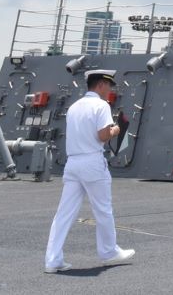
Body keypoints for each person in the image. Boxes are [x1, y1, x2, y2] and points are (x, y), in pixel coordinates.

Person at [44, 70, 136, 273]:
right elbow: (103, 136)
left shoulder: (74, 107)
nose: (110, 90)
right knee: (103, 209)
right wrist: (116, 129)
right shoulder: (101, 105)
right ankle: (109, 251)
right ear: (101, 84)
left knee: (64, 213)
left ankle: (52, 259)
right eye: (109, 86)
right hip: (92, 162)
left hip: (73, 163)